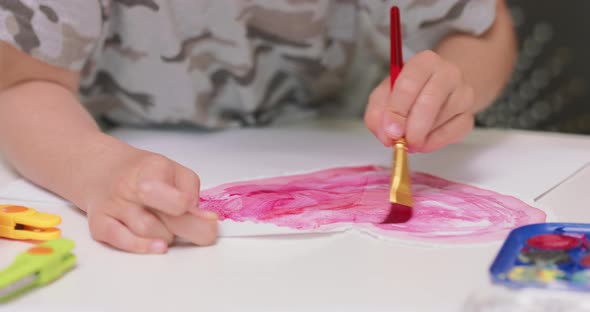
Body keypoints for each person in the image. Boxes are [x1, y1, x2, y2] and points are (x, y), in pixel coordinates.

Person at [0, 0, 516, 254]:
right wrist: (93, 168)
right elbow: (18, 85)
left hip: (334, 134)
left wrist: (451, 84)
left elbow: (485, 32)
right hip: (118, 142)